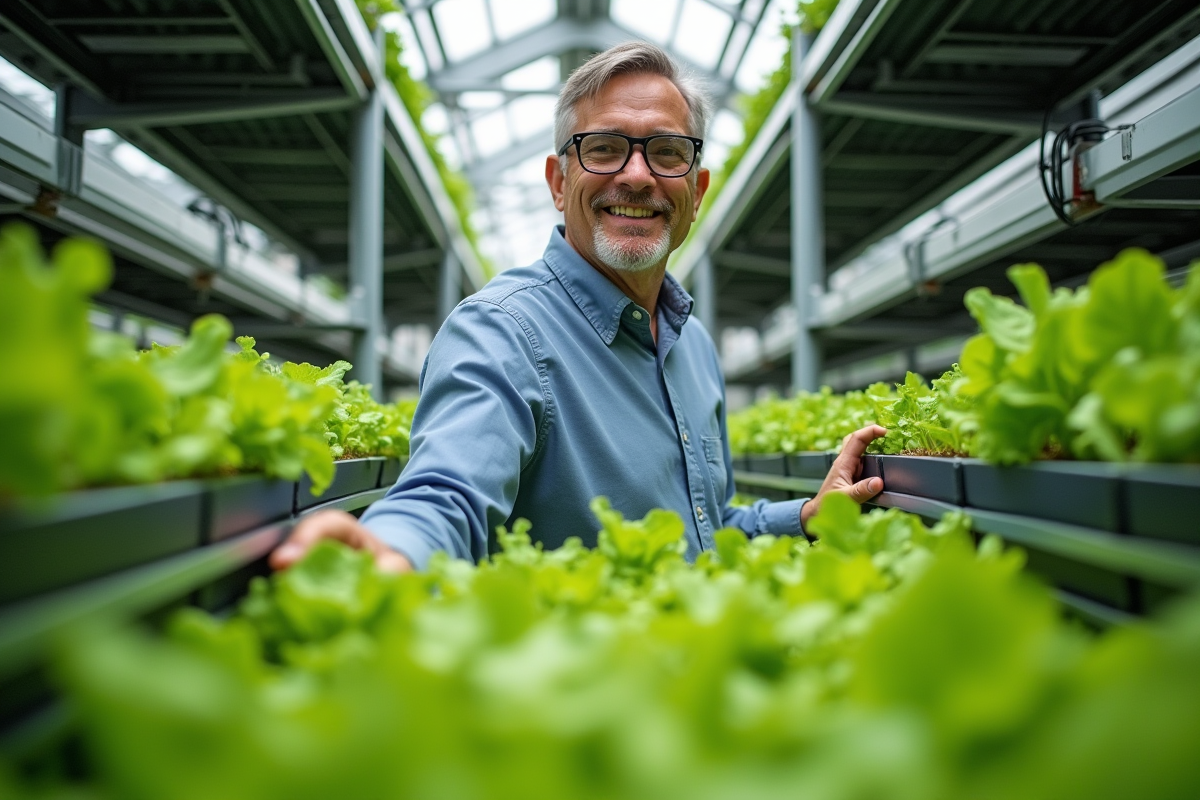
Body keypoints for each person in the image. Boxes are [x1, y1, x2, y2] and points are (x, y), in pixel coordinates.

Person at [270, 42, 884, 574]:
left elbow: (706, 524)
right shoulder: (501, 332)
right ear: (559, 182)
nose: (638, 176)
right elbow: (448, 492)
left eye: (668, 151)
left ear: (696, 191)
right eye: (604, 148)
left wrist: (804, 516)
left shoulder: (692, 344)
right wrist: (393, 548)